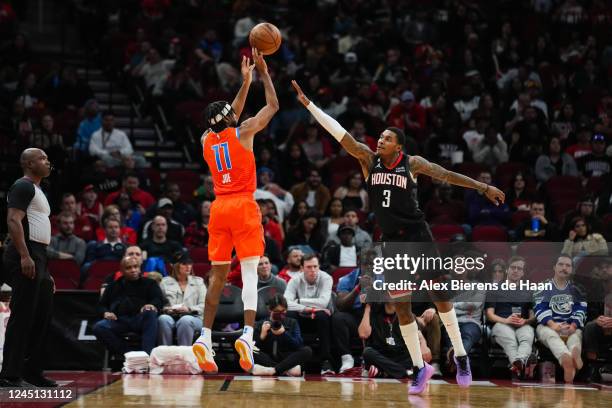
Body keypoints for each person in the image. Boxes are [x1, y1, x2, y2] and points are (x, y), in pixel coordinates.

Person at [292, 80, 505, 393]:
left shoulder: (412, 164)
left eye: (387, 138)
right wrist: (309, 105)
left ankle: (461, 355)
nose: (380, 140)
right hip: (392, 241)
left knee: (441, 298)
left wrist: (483, 187)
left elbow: (447, 175)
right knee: (402, 308)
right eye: (380, 136)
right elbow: (340, 134)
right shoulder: (367, 160)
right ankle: (419, 367)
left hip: (419, 236)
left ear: (399, 147)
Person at [192, 49, 279, 374]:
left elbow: (228, 115)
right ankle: (246, 334)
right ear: (230, 119)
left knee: (216, 275)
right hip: (243, 205)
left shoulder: (205, 140)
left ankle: (204, 336)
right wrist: (263, 74)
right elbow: (272, 106)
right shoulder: (244, 133)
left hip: (218, 209)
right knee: (249, 273)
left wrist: (245, 81)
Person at [0, 148, 57, 388]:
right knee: (23, 314)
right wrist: (25, 255)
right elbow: (13, 220)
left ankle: (32, 371)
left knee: (41, 315)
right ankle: (9, 374)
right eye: (43, 159)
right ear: (29, 164)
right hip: (26, 251)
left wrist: (46, 273)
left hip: (39, 254)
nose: (48, 162)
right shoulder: (22, 186)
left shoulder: (39, 190)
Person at [93, 255, 163, 356]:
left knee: (150, 312)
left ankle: (147, 356)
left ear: (140, 268)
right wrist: (106, 313)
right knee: (99, 327)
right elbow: (101, 305)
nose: (133, 270)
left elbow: (158, 299)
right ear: (121, 270)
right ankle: (128, 354)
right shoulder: (113, 286)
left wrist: (151, 305)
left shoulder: (150, 283)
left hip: (141, 319)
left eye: (135, 267)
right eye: (128, 268)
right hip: (119, 320)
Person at [534, 254, 587, 383]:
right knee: (551, 335)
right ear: (554, 267)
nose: (564, 268)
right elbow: (539, 308)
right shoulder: (543, 286)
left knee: (576, 335)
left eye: (568, 265)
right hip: (548, 325)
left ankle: (574, 354)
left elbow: (581, 309)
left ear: (572, 270)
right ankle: (566, 358)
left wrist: (573, 325)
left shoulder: (577, 289)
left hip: (570, 326)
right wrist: (553, 325)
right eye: (561, 264)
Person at [283, 254, 335, 375]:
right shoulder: (295, 280)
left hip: (320, 318)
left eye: (315, 266)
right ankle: (295, 360)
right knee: (289, 314)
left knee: (322, 315)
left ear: (319, 266)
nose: (313, 270)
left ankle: (326, 361)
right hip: (301, 317)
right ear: (302, 268)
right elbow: (285, 304)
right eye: (309, 267)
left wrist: (300, 302)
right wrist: (309, 309)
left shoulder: (326, 278)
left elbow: (323, 303)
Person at [485, 256, 536, 379]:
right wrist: (506, 320)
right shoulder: (494, 289)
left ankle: (518, 363)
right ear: (507, 269)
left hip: (522, 324)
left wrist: (526, 321)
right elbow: (490, 315)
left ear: (523, 272)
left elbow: (533, 316)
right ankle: (519, 364)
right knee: (511, 342)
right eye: (513, 267)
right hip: (502, 323)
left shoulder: (529, 291)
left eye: (519, 268)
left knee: (527, 338)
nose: (516, 270)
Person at [359, 303, 431, 379]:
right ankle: (405, 372)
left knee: (416, 355)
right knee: (367, 352)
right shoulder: (373, 313)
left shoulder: (407, 315)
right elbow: (363, 334)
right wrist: (367, 308)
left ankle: (383, 372)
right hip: (381, 355)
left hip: (399, 355)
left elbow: (419, 336)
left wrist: (424, 346)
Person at [252, 294, 312, 377]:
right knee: (249, 350)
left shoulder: (292, 322)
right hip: (268, 357)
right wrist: (262, 336)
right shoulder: (260, 324)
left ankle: (272, 370)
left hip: (287, 358)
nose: (280, 314)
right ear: (270, 310)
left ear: (286, 310)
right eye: (277, 311)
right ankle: (286, 370)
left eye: (283, 311)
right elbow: (255, 347)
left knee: (307, 350)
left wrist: (284, 334)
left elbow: (298, 345)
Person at [158, 252, 206, 346]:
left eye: (190, 263)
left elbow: (204, 305)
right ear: (175, 266)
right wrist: (167, 309)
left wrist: (189, 309)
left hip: (194, 317)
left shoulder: (199, 282)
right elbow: (161, 304)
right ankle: (165, 353)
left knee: (185, 320)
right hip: (172, 316)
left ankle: (184, 355)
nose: (188, 267)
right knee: (163, 319)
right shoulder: (165, 282)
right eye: (184, 264)